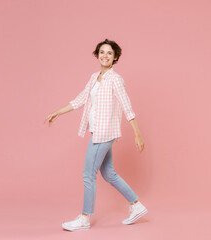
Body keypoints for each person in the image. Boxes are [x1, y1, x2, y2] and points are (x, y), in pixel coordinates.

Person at [44, 39, 148, 231]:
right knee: (109, 174)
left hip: (104, 133)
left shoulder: (115, 80)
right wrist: (57, 112)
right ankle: (137, 205)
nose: (105, 56)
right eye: (102, 52)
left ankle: (84, 218)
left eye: (109, 53)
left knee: (88, 175)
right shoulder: (94, 77)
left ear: (115, 57)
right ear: (97, 55)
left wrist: (137, 134)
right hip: (97, 131)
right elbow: (80, 99)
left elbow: (127, 106)